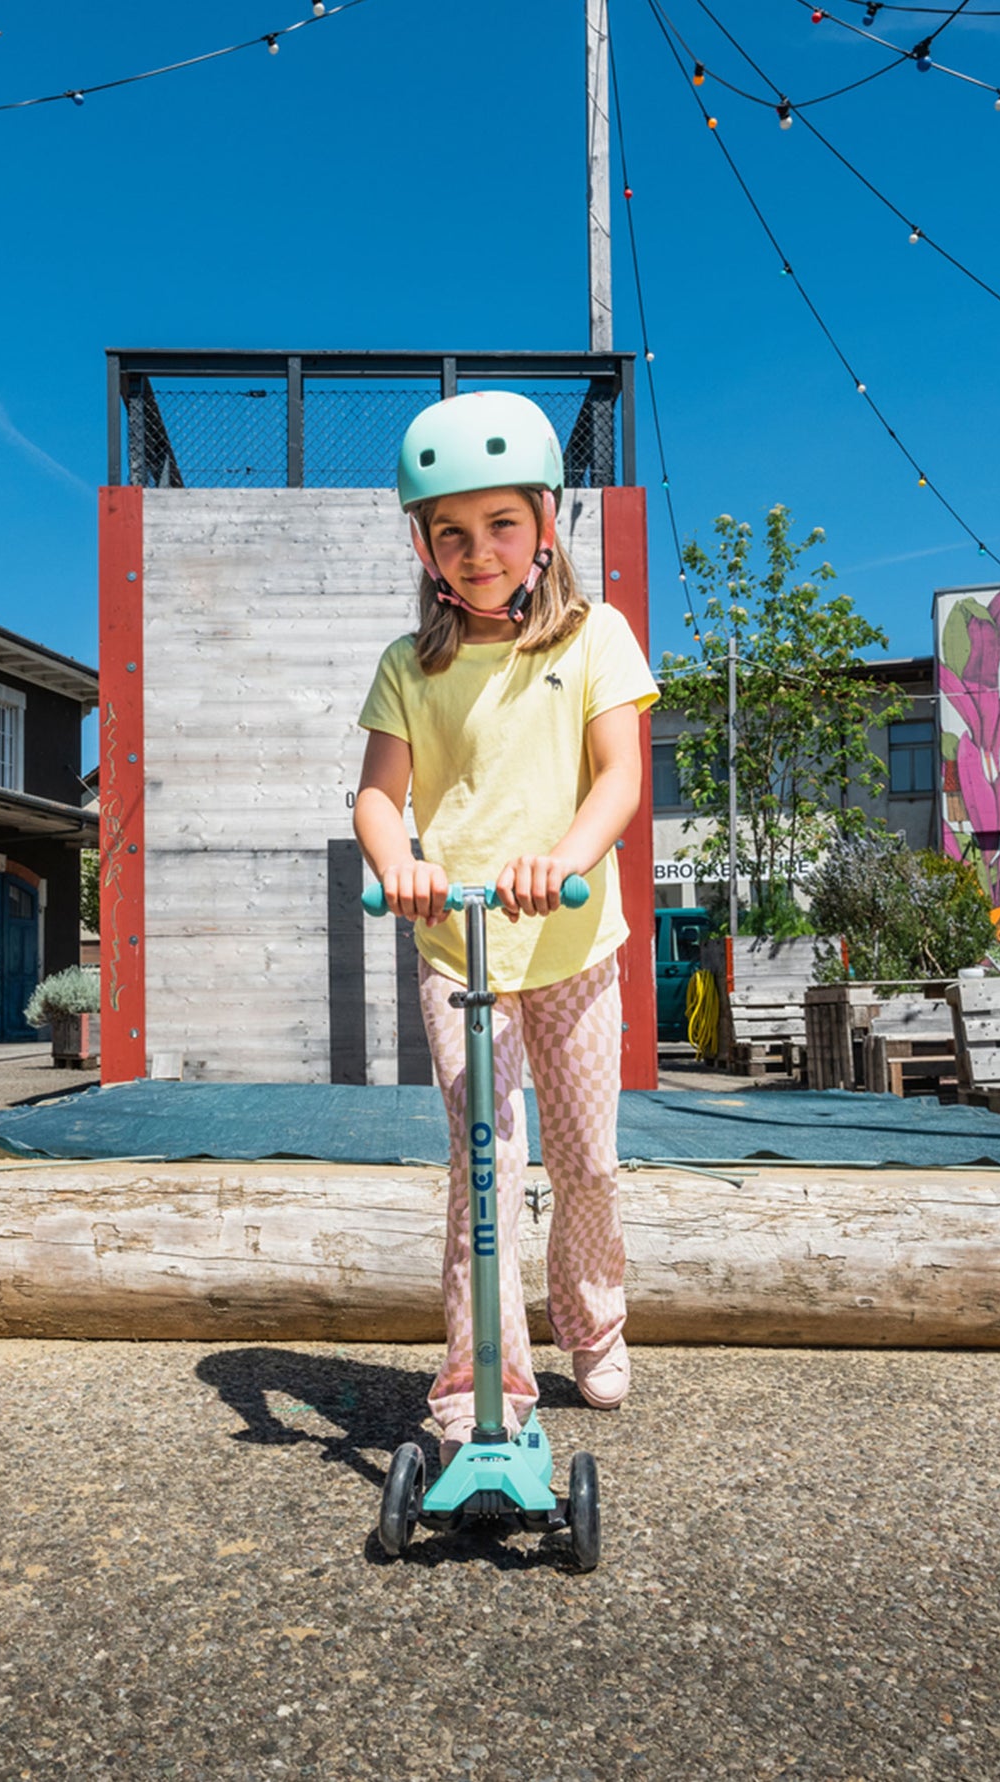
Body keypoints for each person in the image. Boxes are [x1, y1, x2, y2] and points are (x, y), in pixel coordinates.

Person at [354, 390, 659, 1462]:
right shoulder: (412, 665)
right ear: (424, 547)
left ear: (542, 523)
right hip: (458, 950)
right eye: (451, 533)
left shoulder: (594, 639)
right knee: (483, 1166)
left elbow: (620, 777)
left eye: (498, 526)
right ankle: (482, 1375)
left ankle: (593, 1325)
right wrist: (399, 867)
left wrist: (563, 861)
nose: (477, 552)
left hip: (570, 944)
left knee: (584, 1160)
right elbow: (379, 797)